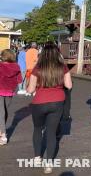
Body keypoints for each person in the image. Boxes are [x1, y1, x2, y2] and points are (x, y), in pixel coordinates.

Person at [26, 42, 72, 174]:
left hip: (39, 102)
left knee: (38, 129)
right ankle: (49, 164)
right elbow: (68, 85)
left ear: (43, 53)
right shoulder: (62, 67)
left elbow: (30, 90)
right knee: (51, 133)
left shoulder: (38, 67)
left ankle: (37, 157)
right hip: (57, 102)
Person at [0, 49, 22, 145]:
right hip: (10, 91)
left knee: (1, 111)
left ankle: (3, 134)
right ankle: (2, 131)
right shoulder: (16, 66)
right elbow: (20, 80)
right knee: (4, 111)